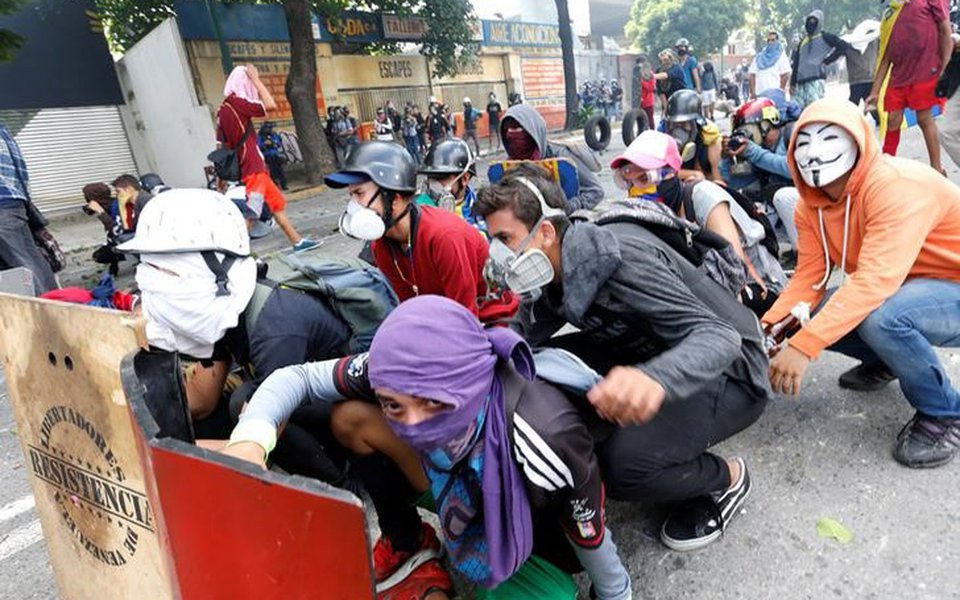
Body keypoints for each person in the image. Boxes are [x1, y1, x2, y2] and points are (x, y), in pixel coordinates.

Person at [223, 295, 634, 599]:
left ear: (471, 383)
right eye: (395, 405)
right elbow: (295, 378)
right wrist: (251, 440)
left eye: (436, 404)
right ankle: (409, 539)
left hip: (534, 537)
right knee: (351, 419)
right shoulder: (393, 372)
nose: (415, 424)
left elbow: (588, 530)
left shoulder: (547, 433)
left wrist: (614, 593)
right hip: (456, 479)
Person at [475, 168, 770, 553]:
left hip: (733, 371)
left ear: (545, 232)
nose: (499, 254)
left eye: (504, 239)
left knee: (624, 466)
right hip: (652, 349)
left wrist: (653, 378)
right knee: (532, 369)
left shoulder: (619, 257)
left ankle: (726, 478)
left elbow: (721, 337)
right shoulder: (558, 267)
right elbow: (524, 329)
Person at [764, 98, 960, 468]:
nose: (814, 152)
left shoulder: (894, 186)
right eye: (803, 142)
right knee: (817, 313)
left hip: (950, 284)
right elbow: (809, 279)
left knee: (881, 317)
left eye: (827, 137)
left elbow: (873, 281)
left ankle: (944, 412)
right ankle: (889, 359)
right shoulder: (811, 205)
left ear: (858, 139)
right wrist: (767, 333)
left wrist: (804, 347)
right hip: (910, 285)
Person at [616, 130, 786, 315]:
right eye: (628, 183)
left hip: (757, 287)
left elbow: (735, 269)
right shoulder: (657, 216)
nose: (635, 191)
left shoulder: (703, 196)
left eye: (644, 179)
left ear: (671, 174)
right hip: (709, 287)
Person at [326, 141, 489, 314]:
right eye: (351, 196)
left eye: (359, 193)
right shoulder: (381, 245)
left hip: (487, 320)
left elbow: (465, 316)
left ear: (394, 198)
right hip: (440, 320)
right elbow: (409, 308)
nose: (354, 206)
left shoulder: (444, 236)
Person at [216, 65, 317, 252]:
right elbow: (270, 105)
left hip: (250, 166)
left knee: (276, 204)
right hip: (252, 166)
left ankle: (297, 241)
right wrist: (256, 79)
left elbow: (220, 145)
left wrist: (220, 177)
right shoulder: (237, 103)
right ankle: (235, 250)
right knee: (253, 211)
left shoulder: (222, 110)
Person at [867, 0, 952, 173]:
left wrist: (945, 68)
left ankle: (936, 168)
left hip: (926, 70)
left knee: (924, 118)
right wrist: (875, 91)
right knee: (892, 120)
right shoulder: (890, 12)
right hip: (899, 76)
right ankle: (887, 168)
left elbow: (945, 30)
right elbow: (885, 55)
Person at [720, 97, 801, 248]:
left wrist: (753, 152)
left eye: (747, 129)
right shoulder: (761, 152)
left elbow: (796, 170)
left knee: (783, 197)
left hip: (814, 210)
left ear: (765, 124)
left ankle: (804, 255)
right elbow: (732, 181)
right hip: (786, 219)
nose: (745, 136)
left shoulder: (793, 133)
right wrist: (727, 158)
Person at [499, 103, 604, 211]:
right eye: (506, 129)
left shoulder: (560, 155)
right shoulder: (507, 166)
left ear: (532, 129)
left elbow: (595, 191)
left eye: (516, 127)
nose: (510, 133)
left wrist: (567, 208)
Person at [789, 10, 852, 109]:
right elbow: (797, 62)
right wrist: (792, 83)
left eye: (814, 21)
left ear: (820, 22)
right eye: (809, 21)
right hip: (800, 83)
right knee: (796, 112)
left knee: (814, 110)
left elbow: (843, 46)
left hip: (816, 80)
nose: (811, 24)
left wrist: (827, 61)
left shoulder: (825, 37)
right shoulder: (803, 41)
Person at [661, 90, 724, 183]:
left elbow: (720, 184)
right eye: (673, 125)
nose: (677, 131)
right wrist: (692, 174)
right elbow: (657, 173)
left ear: (696, 125)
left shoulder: (711, 143)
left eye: (684, 124)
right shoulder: (663, 139)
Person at [416, 138, 481, 227]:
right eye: (430, 178)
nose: (433, 185)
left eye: (441, 178)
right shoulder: (417, 213)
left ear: (465, 178)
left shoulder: (482, 208)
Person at [841, 20, 880, 124]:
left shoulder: (848, 43)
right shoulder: (874, 40)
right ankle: (877, 120)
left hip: (858, 80)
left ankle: (848, 122)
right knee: (867, 102)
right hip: (867, 78)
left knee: (855, 103)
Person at [749, 29, 792, 99]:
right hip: (759, 95)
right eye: (768, 40)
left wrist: (780, 90)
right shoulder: (759, 57)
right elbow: (751, 75)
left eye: (773, 40)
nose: (770, 42)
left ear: (777, 41)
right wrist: (753, 93)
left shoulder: (781, 57)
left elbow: (786, 75)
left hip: (774, 95)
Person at [655, 50, 688, 118]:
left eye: (666, 60)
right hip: (668, 100)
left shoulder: (677, 67)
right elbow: (660, 91)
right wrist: (666, 107)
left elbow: (667, 75)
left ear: (671, 58)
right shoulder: (658, 71)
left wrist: (651, 76)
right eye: (661, 61)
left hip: (681, 99)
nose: (664, 62)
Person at [257, 122, 288, 190]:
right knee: (271, 171)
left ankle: (283, 184)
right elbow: (258, 145)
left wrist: (273, 142)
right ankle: (275, 185)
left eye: (270, 128)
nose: (269, 130)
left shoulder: (274, 134)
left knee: (280, 171)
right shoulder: (260, 136)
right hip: (267, 156)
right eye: (267, 128)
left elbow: (279, 143)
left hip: (275, 155)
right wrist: (264, 144)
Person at [637, 56, 658, 129]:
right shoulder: (636, 74)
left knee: (649, 119)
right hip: (639, 102)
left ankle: (652, 133)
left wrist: (642, 83)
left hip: (648, 102)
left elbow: (651, 88)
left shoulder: (650, 74)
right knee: (641, 121)